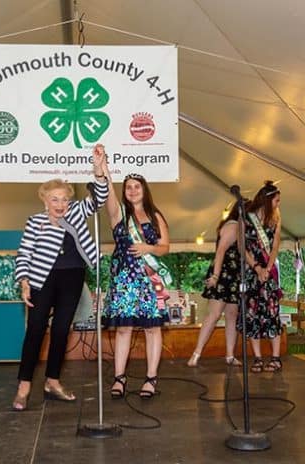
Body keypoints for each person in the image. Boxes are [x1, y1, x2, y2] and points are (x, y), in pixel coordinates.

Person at [12, 149, 109, 411]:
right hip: (42, 279)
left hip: (73, 275)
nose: (60, 203)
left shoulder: (76, 213)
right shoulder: (35, 222)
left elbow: (99, 198)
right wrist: (24, 282)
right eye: (54, 199)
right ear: (45, 201)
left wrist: (98, 171)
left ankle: (52, 382)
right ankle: (24, 386)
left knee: (61, 331)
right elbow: (24, 254)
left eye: (64, 199)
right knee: (35, 331)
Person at [96, 144, 170, 399]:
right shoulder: (118, 214)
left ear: (144, 189)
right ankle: (119, 378)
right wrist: (103, 166)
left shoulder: (155, 215)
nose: (132, 189)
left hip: (149, 278)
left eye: (137, 185)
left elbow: (164, 248)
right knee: (124, 329)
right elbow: (108, 193)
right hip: (124, 278)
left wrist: (147, 246)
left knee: (152, 329)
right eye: (128, 186)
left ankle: (151, 379)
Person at [187, 206, 242, 367]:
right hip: (224, 275)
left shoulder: (239, 227)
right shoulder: (232, 226)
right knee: (214, 314)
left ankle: (230, 355)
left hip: (234, 275)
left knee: (232, 314)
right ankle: (196, 353)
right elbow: (220, 252)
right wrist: (216, 276)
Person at [239, 181, 283, 373]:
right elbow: (242, 247)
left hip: (269, 272)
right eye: (276, 200)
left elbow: (274, 247)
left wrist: (268, 267)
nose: (278, 204)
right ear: (267, 200)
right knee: (252, 313)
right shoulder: (246, 218)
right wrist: (257, 268)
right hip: (252, 271)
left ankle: (275, 357)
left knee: (272, 312)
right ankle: (257, 358)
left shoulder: (276, 218)